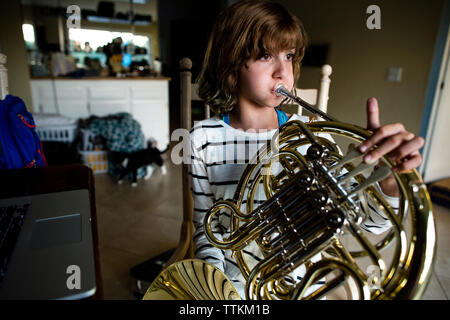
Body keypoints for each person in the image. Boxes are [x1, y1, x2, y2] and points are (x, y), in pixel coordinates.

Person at [188, 0, 424, 299]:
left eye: (288, 56)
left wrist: (387, 179)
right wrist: (216, 292)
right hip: (236, 286)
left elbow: (370, 224)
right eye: (265, 56)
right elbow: (206, 228)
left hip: (306, 283)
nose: (283, 72)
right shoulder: (201, 138)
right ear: (231, 64)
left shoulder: (312, 137)